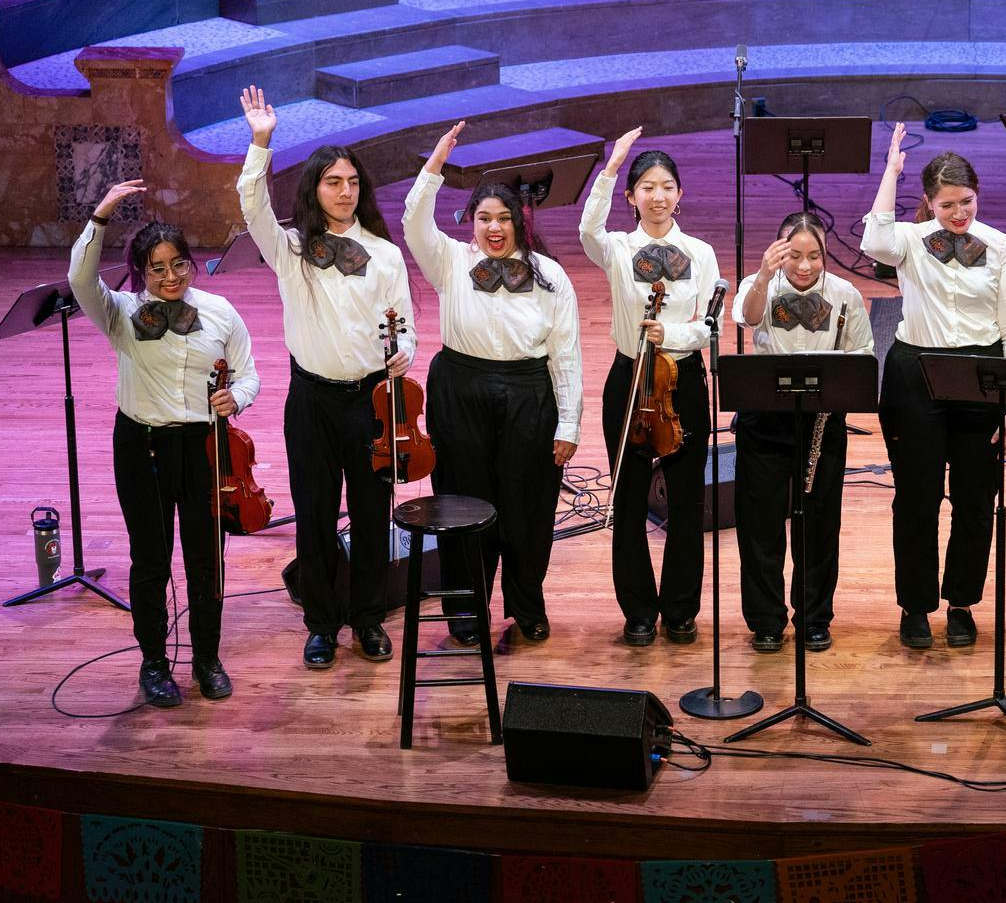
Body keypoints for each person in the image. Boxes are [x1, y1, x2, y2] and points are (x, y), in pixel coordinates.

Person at [237, 87, 415, 671]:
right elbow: (251, 206)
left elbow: (406, 325)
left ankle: (366, 617)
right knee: (314, 513)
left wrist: (403, 353)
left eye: (353, 182)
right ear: (315, 189)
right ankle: (321, 623)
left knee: (371, 512)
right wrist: (261, 142)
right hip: (311, 400)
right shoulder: (290, 248)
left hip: (371, 401)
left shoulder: (385, 254)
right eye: (333, 182)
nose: (345, 192)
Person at [70, 181, 259, 706]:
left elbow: (248, 375)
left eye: (178, 264)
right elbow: (79, 277)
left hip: (205, 448)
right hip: (142, 447)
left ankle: (207, 658)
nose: (170, 276)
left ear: (190, 264)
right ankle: (153, 663)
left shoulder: (221, 311)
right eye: (157, 267)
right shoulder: (121, 314)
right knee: (150, 559)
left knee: (207, 559)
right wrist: (102, 214)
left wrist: (235, 400)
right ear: (140, 272)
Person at [403, 123, 583, 648]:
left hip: (529, 395)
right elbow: (414, 221)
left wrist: (568, 421)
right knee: (461, 502)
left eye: (504, 218)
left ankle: (527, 605)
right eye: (484, 218)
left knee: (528, 506)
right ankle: (466, 607)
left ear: (519, 223)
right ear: (471, 223)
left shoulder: (550, 276)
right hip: (459, 391)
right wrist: (435, 165)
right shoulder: (452, 261)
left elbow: (566, 355)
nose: (494, 228)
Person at [862, 123, 1006, 651]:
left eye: (968, 202)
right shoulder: (909, 241)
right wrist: (890, 172)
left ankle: (961, 602)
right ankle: (915, 605)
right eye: (947, 205)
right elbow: (874, 239)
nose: (960, 214)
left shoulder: (1002, 248)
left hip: (981, 377)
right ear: (929, 204)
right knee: (916, 497)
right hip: (916, 375)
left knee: (976, 500)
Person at [579, 127, 721, 647]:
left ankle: (681, 609)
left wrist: (674, 333)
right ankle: (638, 610)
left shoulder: (701, 254)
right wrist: (612, 164)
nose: (657, 196)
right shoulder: (616, 248)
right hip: (630, 377)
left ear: (680, 194)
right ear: (632, 196)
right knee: (630, 500)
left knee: (686, 503)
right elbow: (586, 227)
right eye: (646, 187)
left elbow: (711, 324)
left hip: (682, 380)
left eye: (666, 187)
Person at [733, 212, 876, 653]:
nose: (805, 266)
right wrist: (762, 274)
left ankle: (815, 616)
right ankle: (766, 619)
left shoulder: (845, 294)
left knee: (819, 525)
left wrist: (838, 393)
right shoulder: (758, 286)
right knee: (760, 527)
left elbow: (863, 354)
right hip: (765, 419)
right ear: (778, 252)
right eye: (793, 255)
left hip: (820, 422)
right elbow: (747, 317)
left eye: (814, 256)